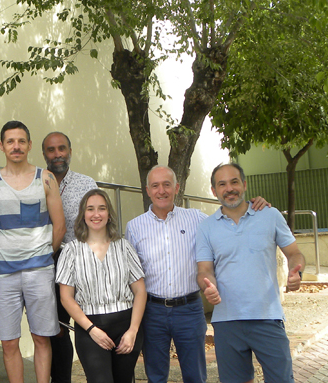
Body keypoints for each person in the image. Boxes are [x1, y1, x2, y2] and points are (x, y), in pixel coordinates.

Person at [125, 165, 270, 383]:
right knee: (155, 375)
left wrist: (254, 205)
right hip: (152, 311)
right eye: (155, 186)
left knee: (195, 375)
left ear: (177, 187)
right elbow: (131, 274)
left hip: (189, 310)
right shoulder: (134, 227)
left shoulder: (197, 219)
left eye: (167, 184)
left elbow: (228, 219)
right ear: (147, 190)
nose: (161, 191)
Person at [197, 163, 305, 383]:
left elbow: (294, 253)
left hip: (268, 318)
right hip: (227, 322)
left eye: (234, 182)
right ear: (214, 190)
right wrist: (208, 286)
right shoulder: (206, 227)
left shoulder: (270, 215)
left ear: (244, 185)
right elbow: (205, 270)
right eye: (222, 184)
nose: (229, 188)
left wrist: (297, 271)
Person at [0, 121, 66, 383]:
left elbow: (60, 225)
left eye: (21, 141)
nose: (16, 146)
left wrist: (43, 256)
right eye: (10, 141)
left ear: (30, 145)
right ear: (1, 146)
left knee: (42, 338)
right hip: (5, 274)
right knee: (8, 343)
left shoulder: (45, 178)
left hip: (39, 272)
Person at [56, 188, 146, 383]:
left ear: (109, 214)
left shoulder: (124, 247)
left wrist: (133, 331)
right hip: (90, 327)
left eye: (101, 208)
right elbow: (66, 297)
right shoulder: (71, 251)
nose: (96, 214)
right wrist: (91, 330)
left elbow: (140, 291)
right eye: (90, 209)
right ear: (83, 215)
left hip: (126, 326)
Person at [41, 131, 98, 382]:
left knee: (91, 327)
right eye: (51, 150)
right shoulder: (36, 182)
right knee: (58, 330)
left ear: (70, 151)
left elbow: (99, 225)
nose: (57, 154)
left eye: (62, 149)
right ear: (44, 154)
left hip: (83, 265)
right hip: (47, 264)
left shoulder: (86, 184)